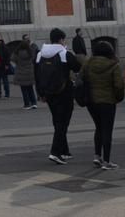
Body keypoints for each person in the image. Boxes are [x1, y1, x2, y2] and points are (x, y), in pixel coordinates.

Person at [35, 28, 80, 163]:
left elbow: (37, 76)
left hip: (48, 93)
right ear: (61, 39)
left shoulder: (39, 54)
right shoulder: (64, 53)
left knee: (57, 120)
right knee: (63, 122)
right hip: (64, 92)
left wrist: (40, 93)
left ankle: (64, 150)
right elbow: (78, 67)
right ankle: (55, 152)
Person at [82, 37, 124, 169]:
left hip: (91, 101)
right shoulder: (114, 65)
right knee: (107, 130)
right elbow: (118, 85)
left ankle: (97, 156)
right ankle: (107, 161)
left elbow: (79, 79)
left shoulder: (88, 63)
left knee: (98, 127)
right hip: (108, 101)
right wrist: (118, 98)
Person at [12, 38, 37, 109]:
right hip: (29, 72)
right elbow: (33, 58)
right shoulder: (30, 52)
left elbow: (12, 60)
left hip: (20, 72)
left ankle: (27, 104)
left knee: (24, 89)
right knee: (30, 89)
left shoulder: (17, 53)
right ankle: (34, 103)